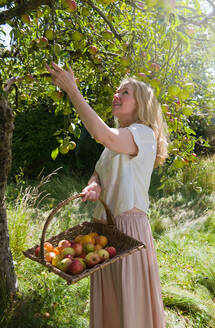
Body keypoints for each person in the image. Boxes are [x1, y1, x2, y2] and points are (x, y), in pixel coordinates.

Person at [46, 62, 168, 328]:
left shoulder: (143, 134)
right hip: (103, 232)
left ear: (142, 104)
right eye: (117, 91)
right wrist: (94, 185)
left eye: (125, 92)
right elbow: (99, 172)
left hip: (127, 229)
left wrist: (72, 90)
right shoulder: (116, 142)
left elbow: (102, 134)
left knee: (129, 302)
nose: (117, 95)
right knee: (111, 301)